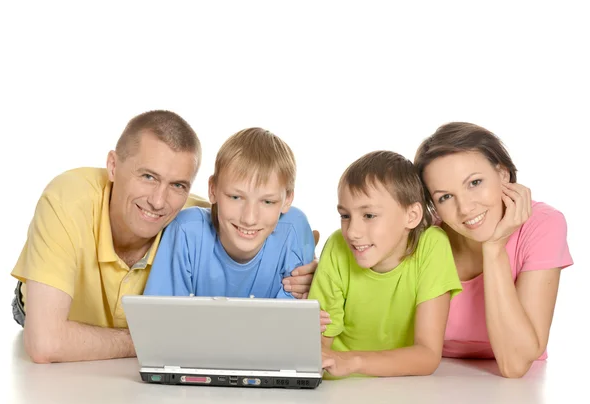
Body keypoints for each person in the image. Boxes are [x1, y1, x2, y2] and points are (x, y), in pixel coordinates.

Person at [10, 111, 318, 364]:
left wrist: (318, 275)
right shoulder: (69, 198)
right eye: (148, 176)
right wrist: (155, 340)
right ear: (113, 166)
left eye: (178, 185)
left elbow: (260, 221)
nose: (159, 201)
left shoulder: (207, 218)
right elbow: (45, 343)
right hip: (62, 316)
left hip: (135, 334)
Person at [413, 122, 573, 378]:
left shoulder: (543, 225)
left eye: (475, 182)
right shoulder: (426, 237)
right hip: (430, 379)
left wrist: (494, 248)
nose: (465, 208)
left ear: (503, 174)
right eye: (445, 197)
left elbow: (515, 364)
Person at [308, 151, 463, 378]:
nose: (352, 232)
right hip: (339, 381)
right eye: (345, 215)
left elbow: (428, 355)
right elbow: (318, 342)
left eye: (369, 215)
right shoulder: (337, 246)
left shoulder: (432, 245)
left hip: (398, 383)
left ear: (411, 216)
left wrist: (354, 361)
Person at [143, 127, 315, 300]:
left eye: (268, 202)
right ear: (213, 189)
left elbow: (292, 321)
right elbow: (160, 318)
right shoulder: (186, 231)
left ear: (287, 200)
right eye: (235, 197)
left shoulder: (294, 229)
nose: (249, 218)